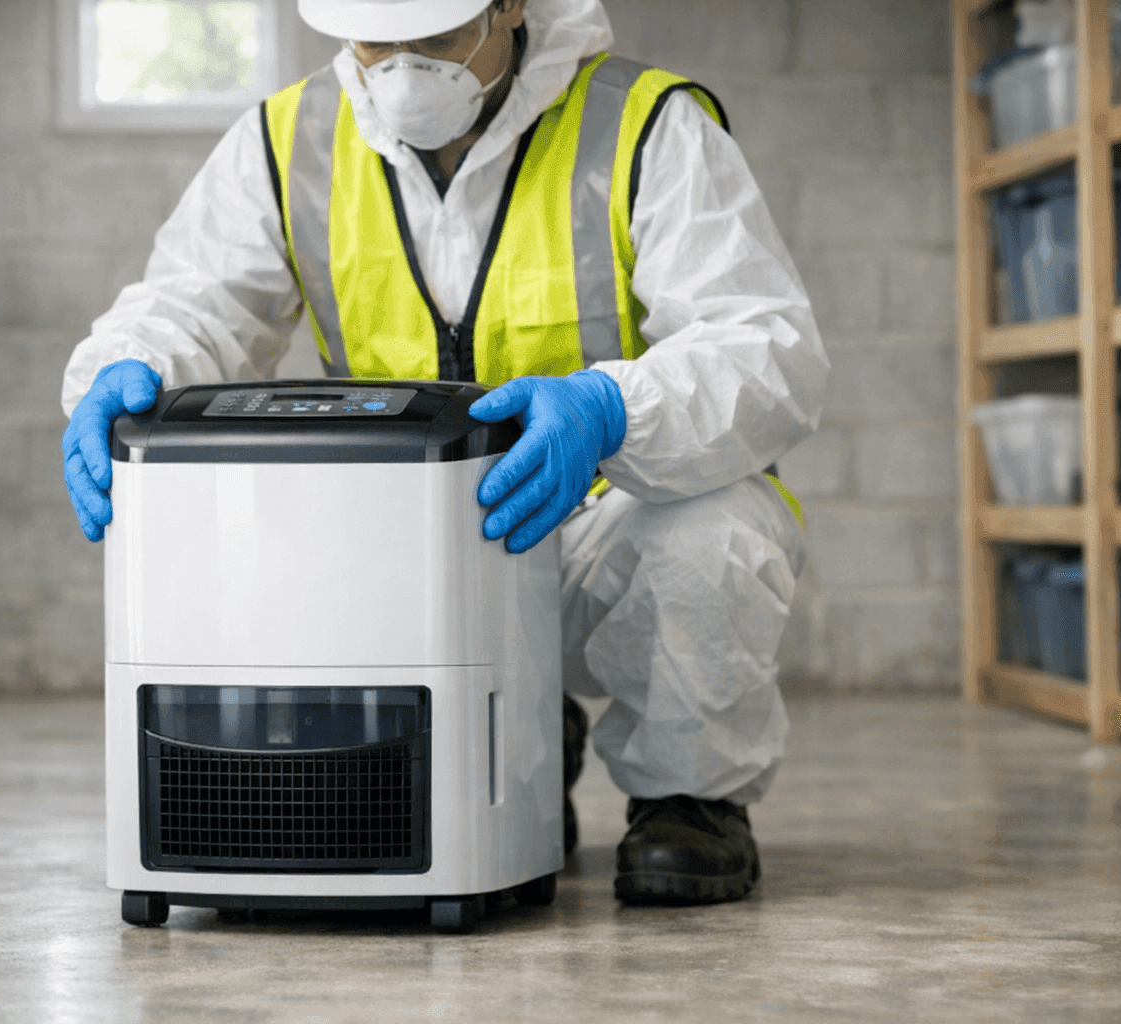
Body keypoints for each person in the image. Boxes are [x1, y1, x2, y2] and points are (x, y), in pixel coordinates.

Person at [60, 0, 828, 905]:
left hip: (592, 523)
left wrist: (611, 408)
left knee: (717, 530)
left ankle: (688, 799)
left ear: (509, 6)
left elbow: (765, 347)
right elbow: (193, 300)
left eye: (434, 39)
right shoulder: (289, 140)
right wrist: (130, 365)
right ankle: (522, 749)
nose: (402, 70)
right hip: (399, 551)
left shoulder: (644, 127)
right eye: (375, 42)